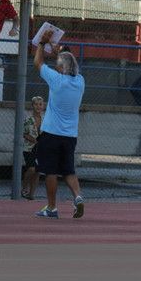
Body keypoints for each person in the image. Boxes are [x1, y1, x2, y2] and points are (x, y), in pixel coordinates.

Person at [33, 30, 86, 219]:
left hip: (51, 133)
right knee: (69, 170)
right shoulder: (80, 81)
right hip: (70, 135)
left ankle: (52, 207)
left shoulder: (56, 80)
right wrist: (58, 52)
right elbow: (68, 64)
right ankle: (78, 196)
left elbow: (38, 63)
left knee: (51, 171)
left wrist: (42, 43)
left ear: (60, 67)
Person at [22, 96, 45, 200]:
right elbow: (25, 134)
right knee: (31, 169)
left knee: (38, 171)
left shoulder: (46, 120)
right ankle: (24, 187)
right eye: (36, 104)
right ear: (32, 106)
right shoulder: (28, 119)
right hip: (29, 148)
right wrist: (34, 141)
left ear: (43, 106)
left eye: (40, 104)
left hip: (41, 149)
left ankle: (31, 194)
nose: (38, 106)